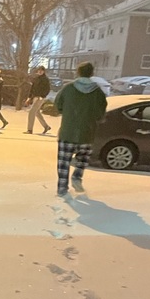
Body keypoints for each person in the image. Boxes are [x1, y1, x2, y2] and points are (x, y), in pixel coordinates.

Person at [54, 61, 107, 197]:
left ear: (78, 72)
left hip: (68, 132)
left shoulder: (68, 88)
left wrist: (68, 113)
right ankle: (77, 177)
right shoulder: (98, 92)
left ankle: (62, 188)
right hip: (87, 133)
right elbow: (101, 113)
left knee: (63, 162)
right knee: (82, 159)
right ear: (92, 73)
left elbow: (58, 105)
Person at [24, 65, 51, 134]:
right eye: (39, 70)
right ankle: (46, 126)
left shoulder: (45, 79)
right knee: (37, 112)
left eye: (41, 70)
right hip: (35, 97)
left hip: (40, 98)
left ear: (44, 71)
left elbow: (47, 89)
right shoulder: (36, 78)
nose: (40, 71)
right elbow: (32, 89)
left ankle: (30, 129)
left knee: (32, 112)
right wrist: (29, 97)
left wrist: (43, 96)